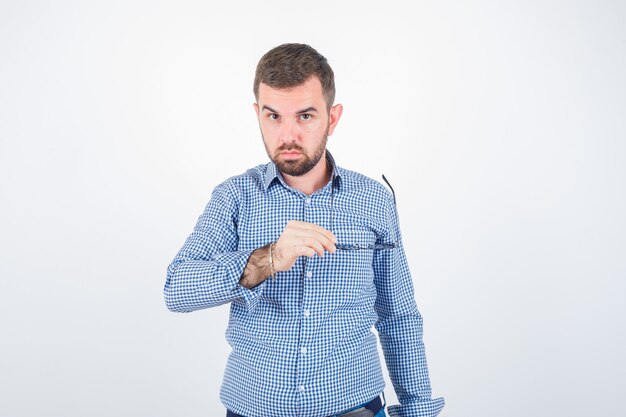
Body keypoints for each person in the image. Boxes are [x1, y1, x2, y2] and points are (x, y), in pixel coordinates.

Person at [164, 43, 444, 417]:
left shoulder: (374, 200)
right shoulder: (234, 198)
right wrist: (268, 258)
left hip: (355, 408)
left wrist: (417, 409)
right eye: (274, 116)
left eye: (306, 116)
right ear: (257, 114)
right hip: (252, 409)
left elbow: (398, 314)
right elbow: (177, 289)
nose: (288, 134)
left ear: (333, 117)